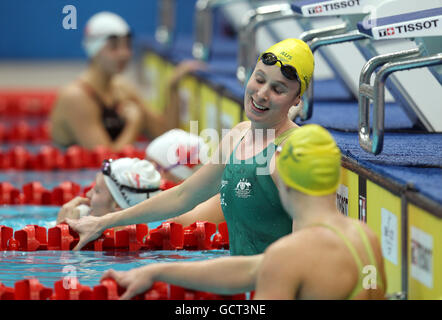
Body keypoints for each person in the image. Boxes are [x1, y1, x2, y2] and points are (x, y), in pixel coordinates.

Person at [66, 38, 315, 255]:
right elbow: (182, 196)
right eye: (259, 79)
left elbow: (302, 251)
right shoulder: (239, 135)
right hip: (242, 281)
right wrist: (104, 222)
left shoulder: (290, 156)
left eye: (278, 89)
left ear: (297, 99)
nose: (261, 94)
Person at [101, 124, 387, 300]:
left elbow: (269, 268)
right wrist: (157, 272)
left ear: (283, 181)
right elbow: (250, 269)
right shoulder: (365, 238)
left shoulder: (289, 254)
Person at [50, 11, 205, 151]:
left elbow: (166, 134)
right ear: (94, 50)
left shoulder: (122, 89)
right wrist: (134, 124)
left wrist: (172, 87)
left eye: (127, 45)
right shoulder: (77, 98)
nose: (124, 54)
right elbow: (105, 159)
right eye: (114, 46)